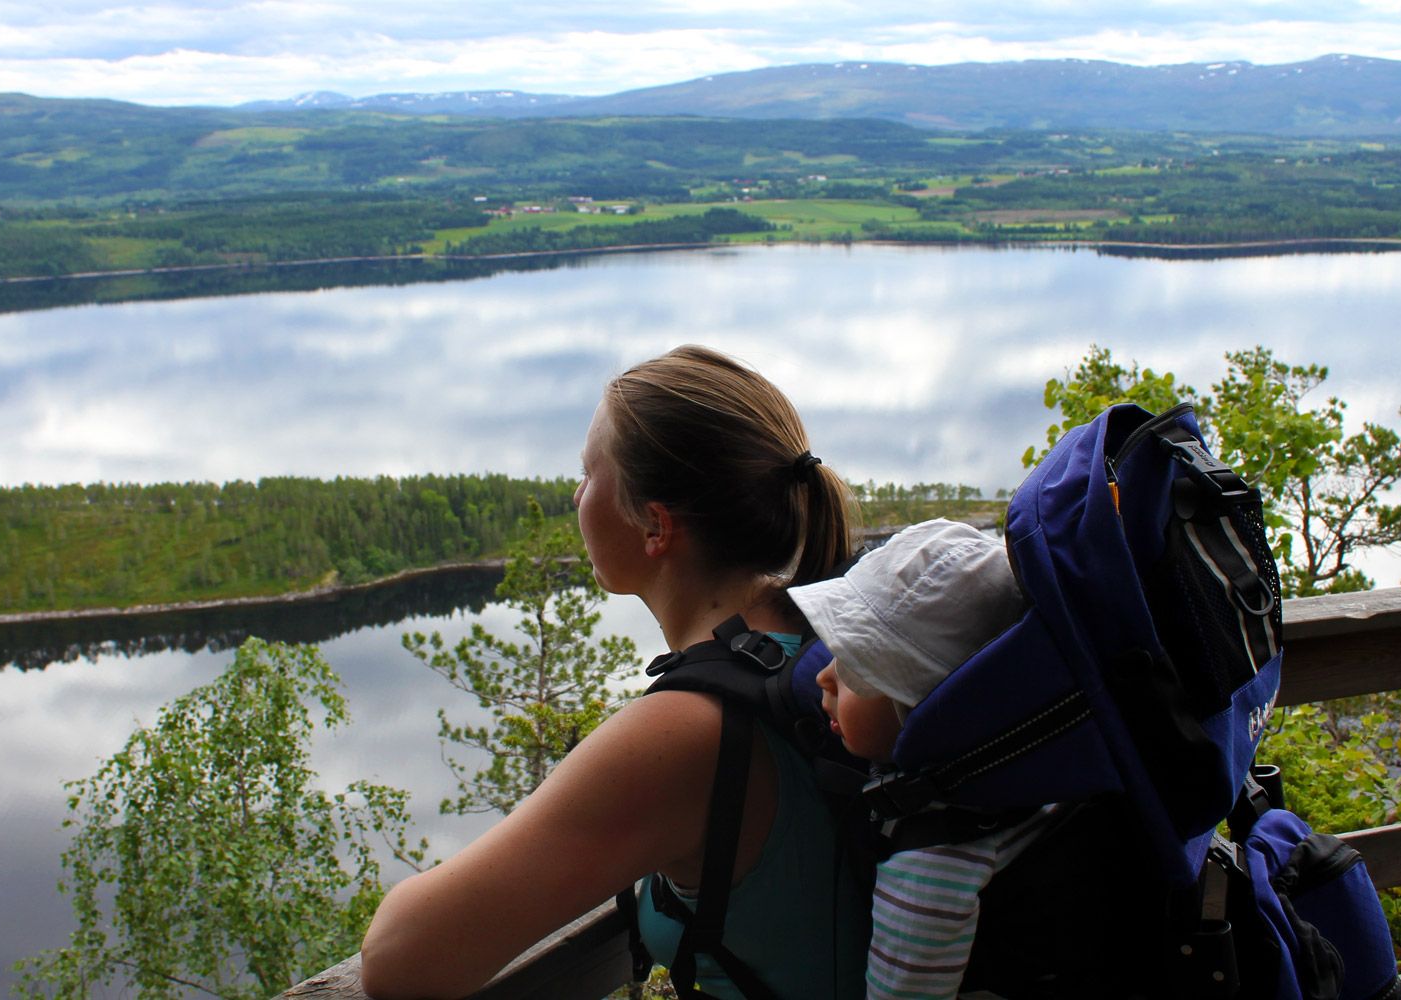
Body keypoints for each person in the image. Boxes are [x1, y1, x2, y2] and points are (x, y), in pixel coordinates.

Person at [359, 345, 868, 1000]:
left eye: (587, 474)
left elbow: (400, 958)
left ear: (654, 524)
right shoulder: (830, 641)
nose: (576, 495)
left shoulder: (688, 730)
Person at [790, 518, 1066, 1000]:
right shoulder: (1029, 774)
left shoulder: (935, 855)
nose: (824, 678)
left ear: (931, 708)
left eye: (857, 666)